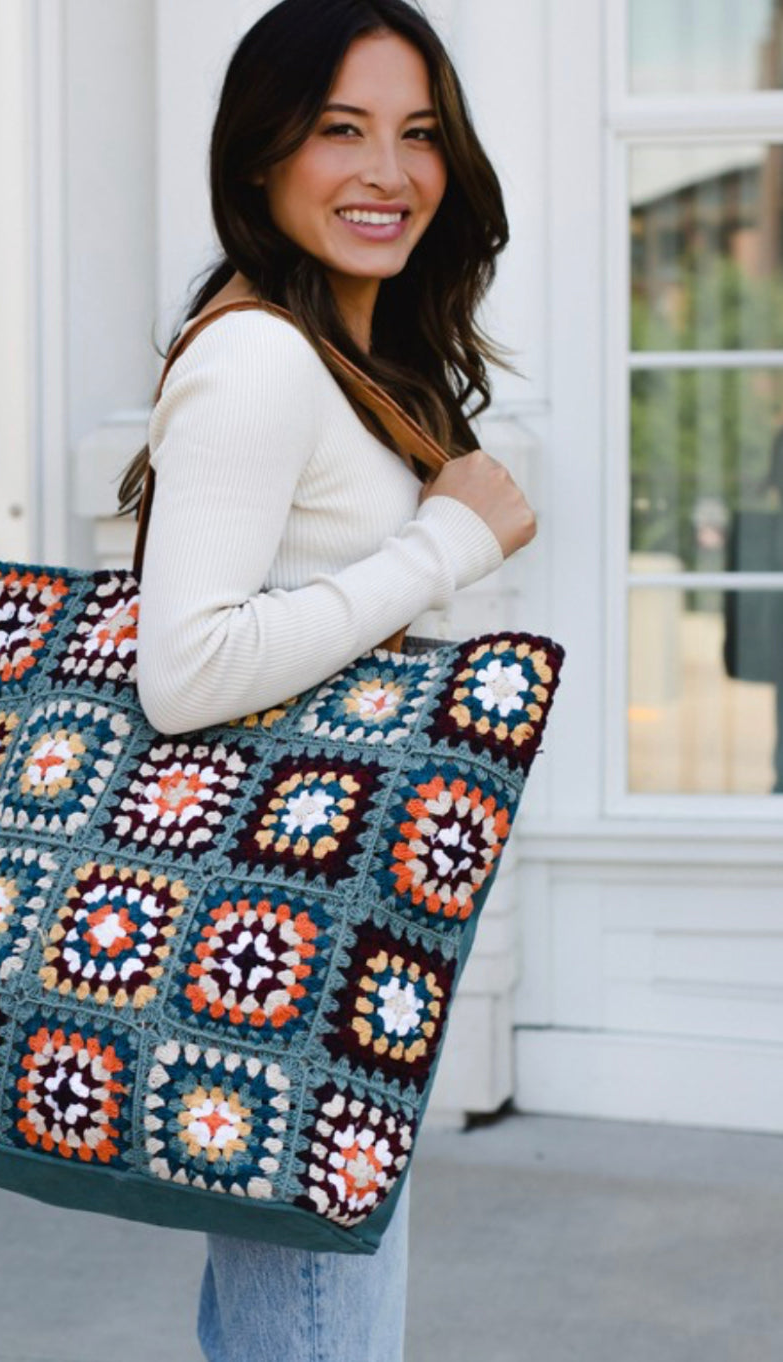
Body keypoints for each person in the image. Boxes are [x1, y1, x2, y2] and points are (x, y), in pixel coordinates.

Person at [117, 2, 536, 1358]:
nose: (389, 171)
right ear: (261, 156)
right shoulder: (258, 358)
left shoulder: (340, 358)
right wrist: (446, 542)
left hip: (319, 930)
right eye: (340, 129)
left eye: (419, 134)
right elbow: (186, 670)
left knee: (285, 1316)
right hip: (275, 934)